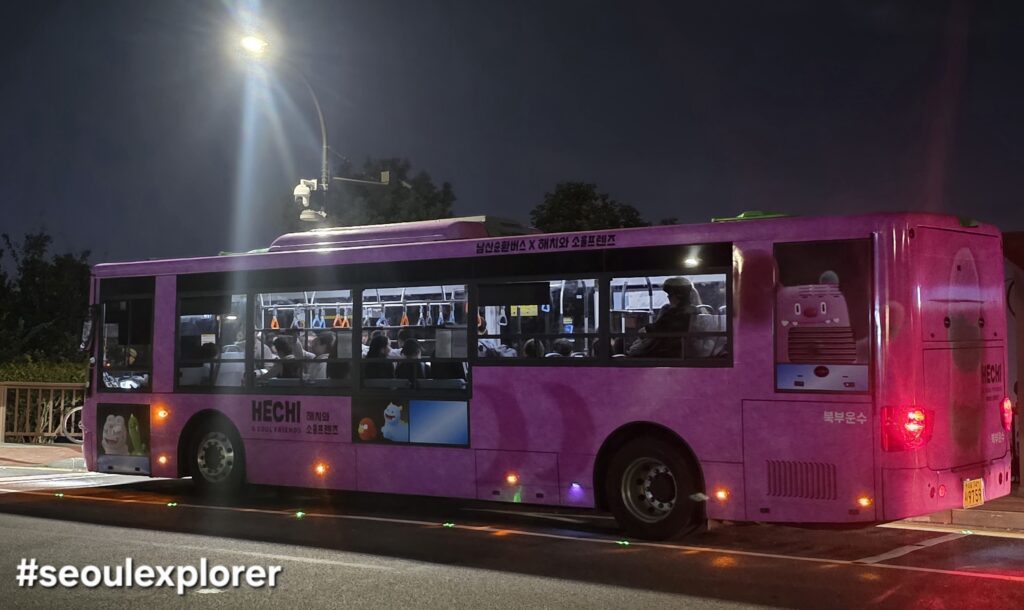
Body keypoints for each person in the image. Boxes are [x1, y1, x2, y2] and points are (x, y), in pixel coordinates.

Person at [627, 276, 699, 358]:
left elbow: (659, 327)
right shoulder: (693, 310)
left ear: (678, 295)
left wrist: (644, 330)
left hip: (664, 350)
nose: (668, 297)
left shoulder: (675, 312)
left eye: (670, 294)